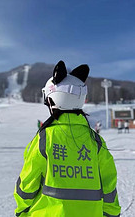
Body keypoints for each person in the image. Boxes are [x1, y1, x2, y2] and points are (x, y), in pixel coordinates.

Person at [14, 61, 121, 217]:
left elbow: (27, 183)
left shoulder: (45, 138)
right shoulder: (95, 141)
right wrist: (111, 214)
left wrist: (21, 211)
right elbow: (109, 184)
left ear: (52, 100)